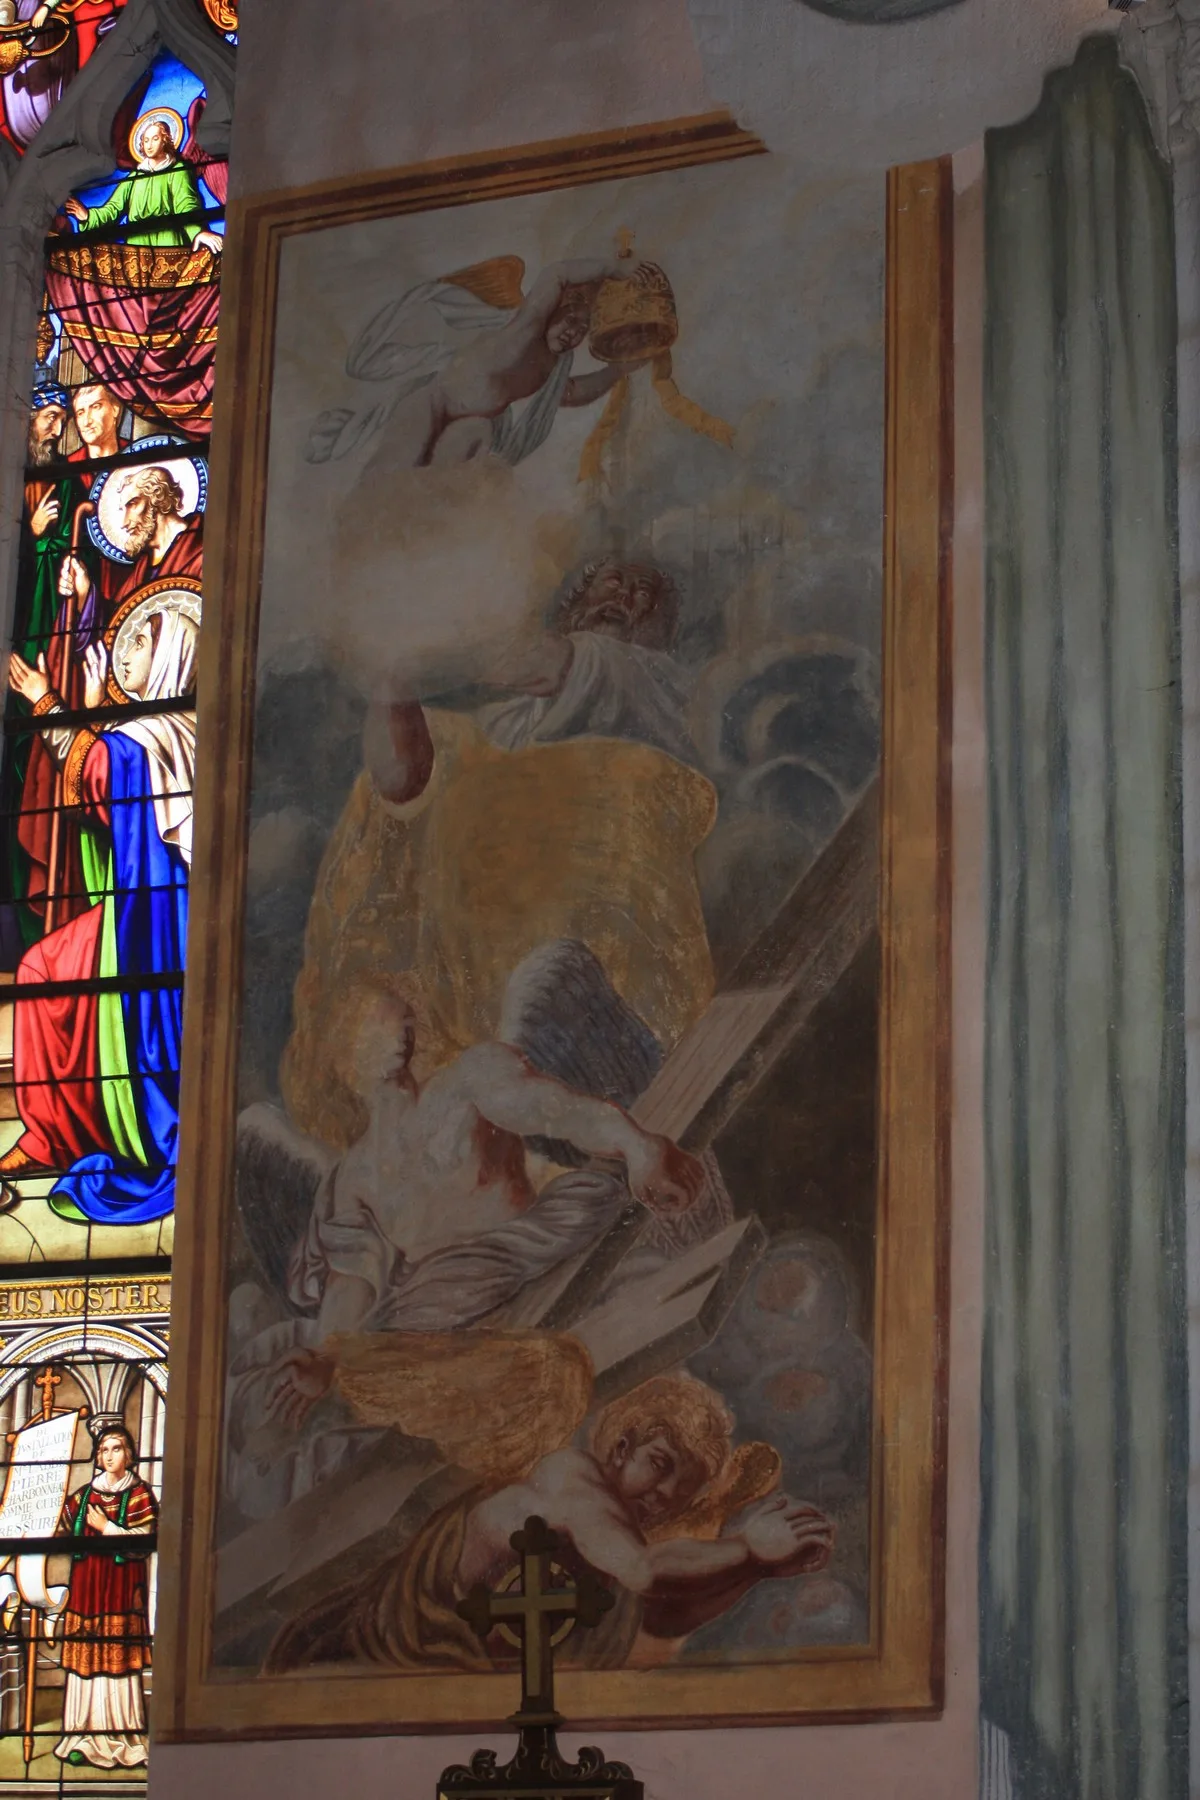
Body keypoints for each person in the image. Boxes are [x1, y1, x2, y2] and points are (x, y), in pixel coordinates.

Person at [280, 557, 714, 1147]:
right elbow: (404, 777)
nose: (627, 598)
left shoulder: (640, 675)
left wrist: (414, 637)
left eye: (645, 595)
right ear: (575, 604)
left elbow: (531, 662)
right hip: (485, 947)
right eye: (613, 583)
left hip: (603, 929)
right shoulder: (501, 724)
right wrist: (391, 682)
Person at [261, 990, 705, 1427]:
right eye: (374, 1024)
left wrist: (639, 1147)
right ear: (341, 1054)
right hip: (455, 1322)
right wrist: (327, 1354)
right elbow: (352, 1281)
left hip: (546, 1262)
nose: (399, 1032)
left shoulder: (467, 1082)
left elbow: (558, 1112)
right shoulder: (353, 1178)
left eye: (403, 1019)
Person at [265, 1374, 834, 1672]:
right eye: (661, 1466)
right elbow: (644, 1573)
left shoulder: (610, 1529)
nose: (664, 1497)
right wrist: (747, 1548)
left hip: (466, 1645)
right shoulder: (573, 1482)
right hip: (388, 1634)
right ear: (622, 1447)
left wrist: (755, 1570)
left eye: (680, 1491)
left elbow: (661, 1615)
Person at [0, 589, 198, 1221]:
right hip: (139, 909)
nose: (125, 652)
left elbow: (95, 774)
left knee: (42, 970)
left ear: (172, 658)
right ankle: (47, 1136)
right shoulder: (171, 735)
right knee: (41, 968)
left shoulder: (153, 737)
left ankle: (83, 1133)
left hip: (152, 926)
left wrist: (45, 702)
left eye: (141, 642)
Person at [313, 256, 642, 468]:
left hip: (469, 425)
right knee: (393, 468)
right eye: (571, 320)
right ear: (555, 310)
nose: (574, 332)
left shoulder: (553, 368)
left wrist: (618, 370)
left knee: (436, 488)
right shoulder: (528, 326)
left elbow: (572, 392)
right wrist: (611, 270)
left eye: (582, 330)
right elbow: (557, 273)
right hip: (433, 404)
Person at [54, 1423, 156, 1770]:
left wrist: (107, 1528)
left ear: (129, 1454)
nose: (109, 1456)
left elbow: (143, 1542)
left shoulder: (139, 1494)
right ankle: (80, 1736)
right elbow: (62, 1527)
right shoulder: (84, 1495)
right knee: (87, 1661)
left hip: (120, 1591)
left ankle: (122, 1737)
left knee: (117, 1659)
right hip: (87, 1590)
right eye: (103, 1450)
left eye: (116, 1448)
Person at [64, 110, 223, 253]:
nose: (149, 145)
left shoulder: (177, 170)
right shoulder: (134, 177)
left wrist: (198, 232)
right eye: (146, 140)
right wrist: (87, 216)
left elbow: (186, 206)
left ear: (165, 140)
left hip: (169, 243)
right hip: (136, 246)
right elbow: (113, 208)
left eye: (155, 139)